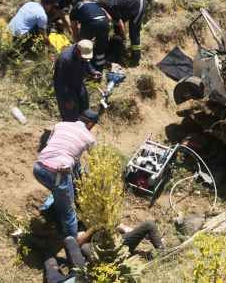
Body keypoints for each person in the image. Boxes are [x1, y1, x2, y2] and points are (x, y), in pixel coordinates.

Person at [33, 109, 98, 241]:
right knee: (68, 211)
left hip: (38, 168)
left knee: (60, 190)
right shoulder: (89, 138)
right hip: (57, 173)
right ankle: (73, 240)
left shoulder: (60, 125)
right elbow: (95, 161)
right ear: (90, 124)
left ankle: (46, 211)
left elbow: (52, 145)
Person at [45, 222, 164, 283]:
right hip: (90, 269)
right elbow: (80, 241)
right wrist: (94, 228)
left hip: (114, 246)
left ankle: (162, 252)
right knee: (79, 246)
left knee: (53, 259)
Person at [53, 41, 97, 121]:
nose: (85, 58)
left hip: (78, 83)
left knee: (84, 109)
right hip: (66, 89)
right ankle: (70, 129)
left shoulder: (84, 51)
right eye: (83, 56)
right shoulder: (64, 59)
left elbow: (86, 62)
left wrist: (92, 71)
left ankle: (82, 128)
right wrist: (67, 99)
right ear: (77, 51)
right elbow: (60, 82)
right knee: (70, 116)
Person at [100, 0, 146, 65]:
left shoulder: (111, 7)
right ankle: (118, 51)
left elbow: (121, 24)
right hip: (128, 5)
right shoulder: (106, 3)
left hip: (137, 5)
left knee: (134, 33)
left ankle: (135, 58)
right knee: (117, 30)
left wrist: (124, 39)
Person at [69, 0, 112, 71]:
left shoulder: (74, 9)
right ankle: (99, 68)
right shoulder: (95, 3)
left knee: (85, 46)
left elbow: (74, 28)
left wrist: (77, 42)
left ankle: (86, 68)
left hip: (91, 23)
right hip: (104, 22)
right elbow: (109, 18)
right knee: (100, 47)